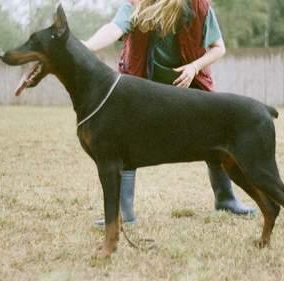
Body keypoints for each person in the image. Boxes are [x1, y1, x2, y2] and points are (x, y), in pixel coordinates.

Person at [82, 0, 256, 226]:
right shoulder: (138, 4)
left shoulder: (198, 6)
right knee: (126, 139)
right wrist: (88, 45)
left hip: (189, 85)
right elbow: (114, 28)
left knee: (216, 136)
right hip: (144, 86)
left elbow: (218, 47)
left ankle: (226, 199)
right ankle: (124, 212)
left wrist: (194, 67)